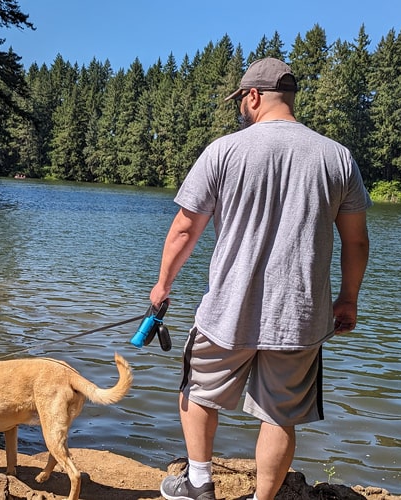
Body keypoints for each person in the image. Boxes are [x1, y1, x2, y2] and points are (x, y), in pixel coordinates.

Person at [150, 57, 372, 500]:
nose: (240, 109)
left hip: (229, 308)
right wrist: (347, 299)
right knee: (279, 414)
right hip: (301, 315)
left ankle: (198, 483)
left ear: (253, 96)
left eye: (241, 101)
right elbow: (357, 242)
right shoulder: (337, 157)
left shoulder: (224, 150)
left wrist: (163, 286)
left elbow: (184, 229)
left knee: (197, 389)